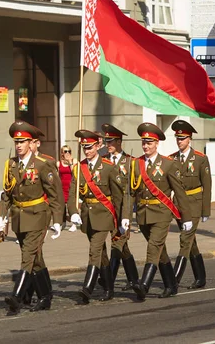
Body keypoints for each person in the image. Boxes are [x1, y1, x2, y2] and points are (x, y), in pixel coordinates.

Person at [0, 121, 63, 313]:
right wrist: (1, 216)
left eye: (23, 141)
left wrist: (57, 221)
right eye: (16, 141)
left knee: (27, 256)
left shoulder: (42, 164)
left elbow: (55, 194)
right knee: (36, 258)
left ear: (30, 143)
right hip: (19, 218)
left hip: (38, 216)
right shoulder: (11, 165)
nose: (19, 145)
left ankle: (17, 296)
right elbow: (7, 194)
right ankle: (46, 296)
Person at [129, 122, 192, 301]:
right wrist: (127, 217)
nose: (146, 146)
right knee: (160, 251)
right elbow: (130, 193)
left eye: (149, 143)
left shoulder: (168, 164)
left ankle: (144, 285)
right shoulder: (136, 164)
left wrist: (186, 217)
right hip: (143, 213)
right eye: (144, 143)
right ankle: (171, 285)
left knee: (153, 247)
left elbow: (179, 192)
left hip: (162, 213)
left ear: (157, 144)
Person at [67, 130, 124, 303]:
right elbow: (72, 193)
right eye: (84, 147)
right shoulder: (79, 168)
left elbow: (118, 195)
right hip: (87, 215)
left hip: (104, 214)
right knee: (102, 254)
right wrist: (73, 212)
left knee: (94, 250)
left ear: (98, 146)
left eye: (90, 147)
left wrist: (122, 218)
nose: (87, 150)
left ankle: (88, 288)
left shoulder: (108, 167)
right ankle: (108, 287)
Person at [169, 120, 212, 290]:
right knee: (191, 241)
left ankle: (174, 279)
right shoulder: (172, 159)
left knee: (185, 239)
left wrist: (206, 210)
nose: (179, 141)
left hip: (194, 203)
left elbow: (207, 184)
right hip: (179, 204)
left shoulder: (200, 159)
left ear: (190, 139)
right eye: (178, 138)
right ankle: (200, 277)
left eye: (183, 138)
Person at [100, 123, 140, 293]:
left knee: (118, 243)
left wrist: (128, 214)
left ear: (119, 142)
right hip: (106, 209)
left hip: (123, 209)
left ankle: (108, 279)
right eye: (106, 142)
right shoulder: (102, 160)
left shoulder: (130, 161)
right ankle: (134, 279)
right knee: (122, 247)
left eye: (111, 142)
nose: (108, 145)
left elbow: (132, 190)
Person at [57, 145, 77, 232]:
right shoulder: (58, 163)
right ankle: (63, 222)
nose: (67, 153)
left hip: (71, 186)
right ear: (62, 153)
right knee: (61, 205)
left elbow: (74, 172)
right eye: (65, 151)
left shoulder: (74, 161)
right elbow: (57, 175)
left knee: (71, 204)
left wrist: (70, 162)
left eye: (69, 151)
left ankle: (74, 224)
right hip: (62, 186)